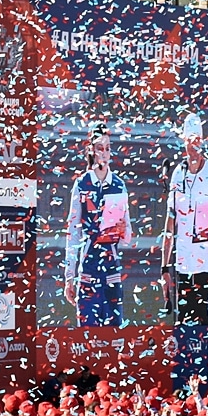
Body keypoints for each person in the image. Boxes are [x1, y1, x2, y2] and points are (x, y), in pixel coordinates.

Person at [161, 112, 208, 326]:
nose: (194, 146)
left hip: (207, 266)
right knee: (185, 330)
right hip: (183, 268)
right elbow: (170, 224)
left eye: (197, 141)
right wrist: (164, 268)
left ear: (203, 141)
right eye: (190, 141)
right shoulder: (177, 174)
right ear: (184, 142)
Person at [63, 123, 129, 327]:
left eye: (108, 148)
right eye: (100, 148)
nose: (105, 153)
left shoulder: (118, 184)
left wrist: (122, 230)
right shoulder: (82, 183)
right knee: (88, 334)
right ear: (91, 150)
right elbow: (73, 230)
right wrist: (69, 276)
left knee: (115, 334)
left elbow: (128, 236)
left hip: (112, 269)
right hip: (88, 267)